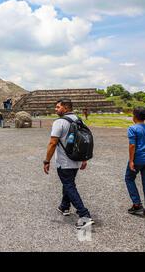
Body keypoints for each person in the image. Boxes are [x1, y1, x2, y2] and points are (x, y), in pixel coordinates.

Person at [43, 98, 94, 229]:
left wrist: (46, 161)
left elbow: (53, 143)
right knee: (69, 183)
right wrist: (84, 159)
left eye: (58, 107)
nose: (56, 109)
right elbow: (84, 141)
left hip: (64, 161)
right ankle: (64, 206)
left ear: (65, 108)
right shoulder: (78, 119)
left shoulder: (59, 122)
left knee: (69, 185)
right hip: (76, 159)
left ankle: (84, 215)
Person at [125, 107, 145, 219]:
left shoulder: (132, 128)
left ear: (134, 116)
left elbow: (132, 145)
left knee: (129, 178)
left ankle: (137, 203)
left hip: (138, 158)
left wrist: (131, 161)